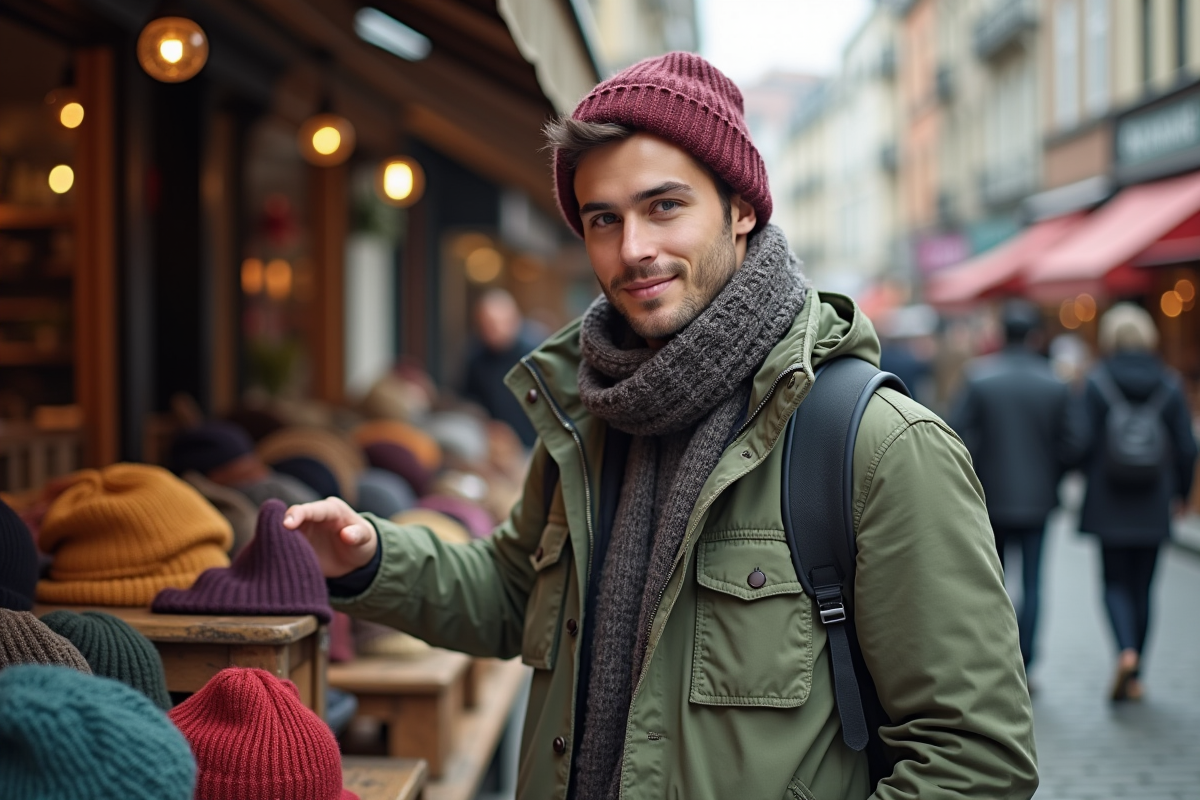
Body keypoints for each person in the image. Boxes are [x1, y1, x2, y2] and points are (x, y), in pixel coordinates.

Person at [285, 53, 1037, 800]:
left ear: (741, 208)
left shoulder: (876, 443)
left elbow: (975, 757)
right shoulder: (588, 418)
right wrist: (371, 557)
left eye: (664, 206)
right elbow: (520, 597)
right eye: (603, 219)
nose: (633, 248)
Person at [1067, 303, 1197, 701]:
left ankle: (1123, 651)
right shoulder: (1170, 383)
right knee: (1144, 586)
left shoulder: (1097, 382)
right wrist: (1180, 492)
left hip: (1109, 498)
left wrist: (1084, 474)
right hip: (1154, 497)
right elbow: (1188, 446)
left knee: (1114, 582)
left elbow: (1081, 442)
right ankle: (1137, 669)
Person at [951, 300, 1070, 672]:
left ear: (1002, 335)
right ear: (1035, 336)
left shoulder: (980, 377)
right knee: (1033, 583)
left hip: (991, 497)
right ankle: (1028, 661)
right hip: (1038, 498)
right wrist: (1053, 474)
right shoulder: (1055, 383)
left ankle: (998, 659)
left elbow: (953, 434)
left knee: (993, 581)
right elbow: (1073, 442)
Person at [462, 289, 544, 448]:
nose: (493, 330)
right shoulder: (476, 357)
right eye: (487, 324)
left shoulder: (535, 354)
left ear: (514, 320)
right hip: (493, 445)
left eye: (499, 322)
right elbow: (469, 398)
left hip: (533, 443)